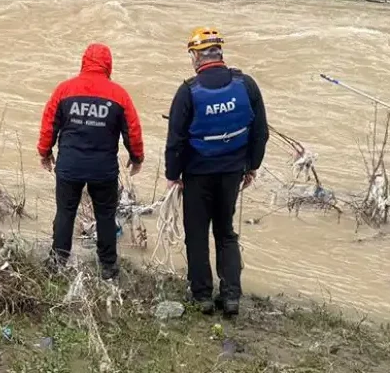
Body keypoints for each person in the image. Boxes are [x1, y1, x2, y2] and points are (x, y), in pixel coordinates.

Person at [164, 27, 268, 317]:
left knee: (196, 234)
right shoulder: (246, 85)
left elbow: (175, 140)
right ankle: (231, 295)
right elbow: (260, 132)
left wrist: (173, 174)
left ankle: (202, 297)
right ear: (219, 53)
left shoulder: (187, 91)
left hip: (197, 174)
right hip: (232, 172)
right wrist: (252, 166)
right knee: (225, 232)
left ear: (197, 56)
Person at [37, 43, 145, 281]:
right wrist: (136, 158)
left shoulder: (64, 90)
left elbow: (48, 124)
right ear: (109, 65)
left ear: (83, 62)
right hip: (103, 169)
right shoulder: (119, 95)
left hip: (69, 166)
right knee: (105, 216)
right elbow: (133, 131)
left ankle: (58, 262)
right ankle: (108, 267)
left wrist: (45, 153)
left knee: (65, 212)